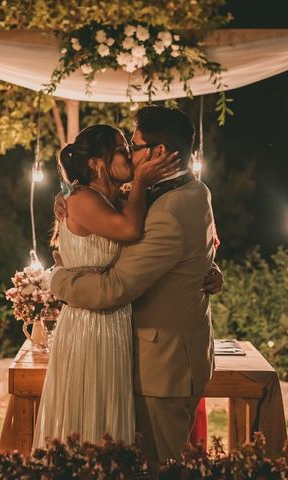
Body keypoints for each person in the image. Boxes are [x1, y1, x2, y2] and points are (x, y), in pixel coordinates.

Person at [50, 106, 219, 467]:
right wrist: (69, 194)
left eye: (135, 147)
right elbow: (189, 246)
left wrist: (58, 279)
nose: (130, 154)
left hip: (162, 366)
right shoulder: (196, 189)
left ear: (159, 153)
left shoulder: (168, 210)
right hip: (160, 352)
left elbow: (114, 288)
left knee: (161, 467)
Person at [31, 124, 180, 448]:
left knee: (108, 411)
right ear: (99, 162)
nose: (129, 154)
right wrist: (140, 182)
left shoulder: (112, 198)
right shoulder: (82, 198)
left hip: (113, 320)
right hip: (88, 323)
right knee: (87, 410)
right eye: (121, 148)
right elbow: (128, 230)